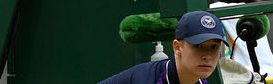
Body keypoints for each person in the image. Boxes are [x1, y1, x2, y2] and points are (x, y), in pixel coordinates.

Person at [98, 10, 230, 84]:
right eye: (198, 46)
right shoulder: (147, 79)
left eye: (214, 47)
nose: (207, 56)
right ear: (177, 47)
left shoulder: (199, 81)